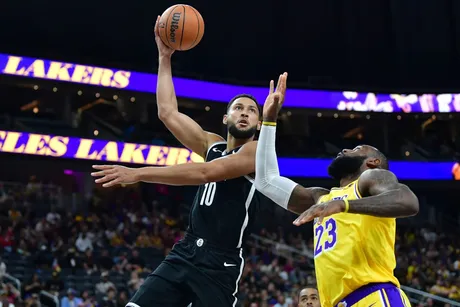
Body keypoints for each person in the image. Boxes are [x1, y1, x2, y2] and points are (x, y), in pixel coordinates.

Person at [90, 17, 288, 307]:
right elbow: (167, 112)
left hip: (220, 264)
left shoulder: (257, 152)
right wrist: (164, 56)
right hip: (185, 251)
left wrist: (139, 173)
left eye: (252, 110)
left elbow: (207, 172)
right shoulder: (212, 144)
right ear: (226, 118)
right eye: (238, 108)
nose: (244, 113)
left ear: (259, 123)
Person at [253, 81, 419, 307]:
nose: (345, 149)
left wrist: (345, 206)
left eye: (357, 149)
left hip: (373, 296)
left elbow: (409, 202)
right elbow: (265, 181)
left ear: (373, 162)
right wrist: (269, 120)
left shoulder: (369, 180)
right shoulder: (320, 197)